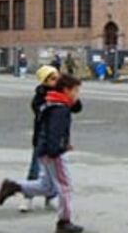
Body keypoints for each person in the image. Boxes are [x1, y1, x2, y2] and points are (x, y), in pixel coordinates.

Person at [0, 74, 85, 233]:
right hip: (52, 152)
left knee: (47, 186)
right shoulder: (59, 108)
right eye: (76, 90)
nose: (77, 94)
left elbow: (51, 129)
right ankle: (64, 221)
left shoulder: (51, 103)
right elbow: (54, 132)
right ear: (66, 90)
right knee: (64, 186)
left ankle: (14, 186)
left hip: (43, 149)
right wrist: (57, 149)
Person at [19, 66, 84, 212]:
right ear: (45, 81)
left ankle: (51, 198)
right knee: (37, 170)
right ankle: (27, 197)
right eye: (52, 78)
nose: (56, 80)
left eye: (57, 77)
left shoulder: (63, 94)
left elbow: (77, 108)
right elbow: (46, 117)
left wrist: (71, 95)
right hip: (44, 141)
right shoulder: (42, 97)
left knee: (52, 177)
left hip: (56, 142)